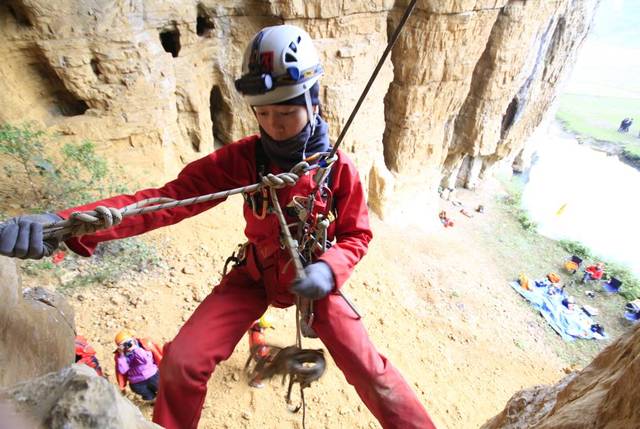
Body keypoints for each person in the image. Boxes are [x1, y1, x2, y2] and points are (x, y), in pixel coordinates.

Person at [0, 25, 436, 429]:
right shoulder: (245, 160)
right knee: (181, 362)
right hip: (256, 276)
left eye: (285, 113)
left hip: (316, 281)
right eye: (262, 114)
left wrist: (329, 269)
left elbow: (357, 235)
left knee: (371, 371)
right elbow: (163, 202)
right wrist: (65, 225)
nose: (272, 126)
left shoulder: (338, 170)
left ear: (313, 101)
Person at [114, 329, 163, 402]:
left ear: (133, 339)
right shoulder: (121, 356)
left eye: (128, 343)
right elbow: (123, 370)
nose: (127, 346)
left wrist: (135, 349)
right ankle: (153, 401)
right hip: (137, 382)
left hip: (152, 375)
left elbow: (145, 360)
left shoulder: (143, 346)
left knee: (161, 389)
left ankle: (164, 400)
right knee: (148, 395)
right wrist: (122, 356)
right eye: (123, 345)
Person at [245, 313, 275, 388]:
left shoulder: (254, 324)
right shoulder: (259, 338)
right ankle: (255, 381)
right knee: (266, 367)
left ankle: (252, 372)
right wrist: (269, 357)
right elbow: (263, 352)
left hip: (252, 347)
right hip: (257, 353)